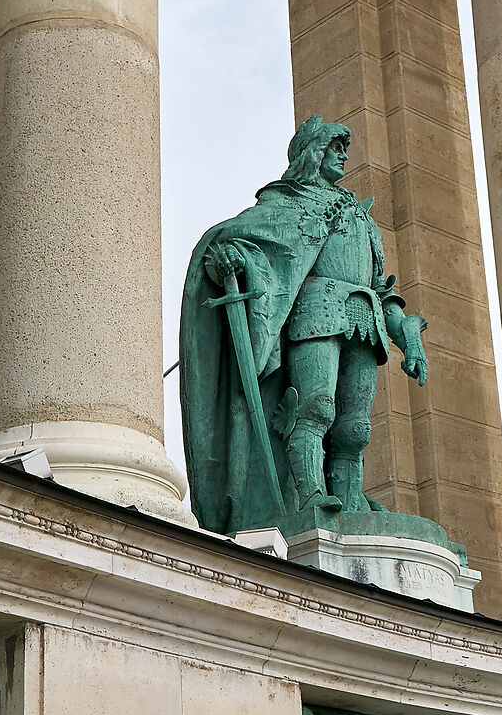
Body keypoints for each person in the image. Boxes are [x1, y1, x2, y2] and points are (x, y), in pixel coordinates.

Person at [178, 117, 430, 533]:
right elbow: (243, 240)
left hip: (365, 320)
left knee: (355, 427)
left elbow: (381, 291)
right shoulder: (290, 201)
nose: (344, 156)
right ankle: (311, 495)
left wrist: (409, 339)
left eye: (344, 149)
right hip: (316, 312)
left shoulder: (362, 218)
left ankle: (349, 501)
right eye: (335, 147)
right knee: (315, 407)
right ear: (314, 152)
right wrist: (233, 258)